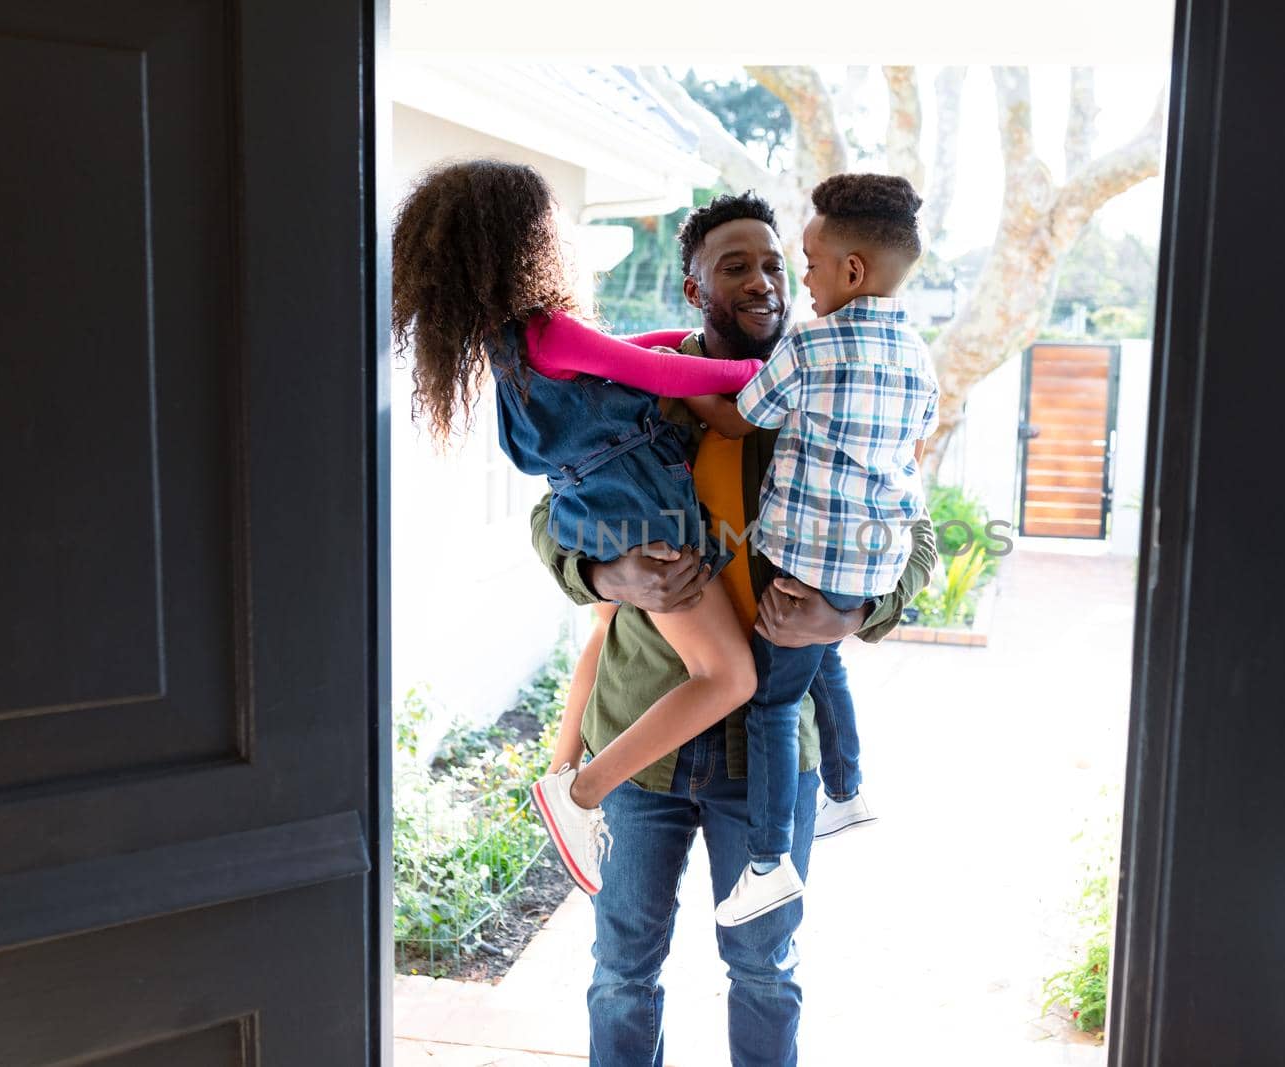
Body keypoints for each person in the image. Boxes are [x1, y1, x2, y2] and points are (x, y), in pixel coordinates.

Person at [530, 190, 935, 1067]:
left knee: (765, 969)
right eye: (736, 265)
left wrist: (852, 610)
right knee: (622, 970)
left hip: (772, 753)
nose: (764, 281)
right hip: (643, 739)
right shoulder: (644, 396)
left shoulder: (834, 375)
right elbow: (553, 510)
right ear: (692, 286)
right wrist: (607, 571)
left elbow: (916, 532)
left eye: (777, 263)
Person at [390, 160, 769, 897]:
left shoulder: (512, 344)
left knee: (600, 632)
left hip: (594, 507)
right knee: (728, 674)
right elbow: (655, 376)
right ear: (527, 242)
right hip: (643, 509)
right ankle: (581, 793)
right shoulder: (549, 331)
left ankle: (559, 771)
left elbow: (633, 357)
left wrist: (685, 350)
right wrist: (750, 370)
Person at [687, 174, 939, 926]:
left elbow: (741, 419)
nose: (796, 278)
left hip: (808, 564)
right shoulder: (920, 353)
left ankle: (767, 862)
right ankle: (849, 784)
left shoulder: (809, 344)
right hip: (869, 560)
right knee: (822, 660)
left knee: (772, 701)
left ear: (851, 271)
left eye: (805, 262)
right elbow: (916, 436)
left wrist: (679, 383)